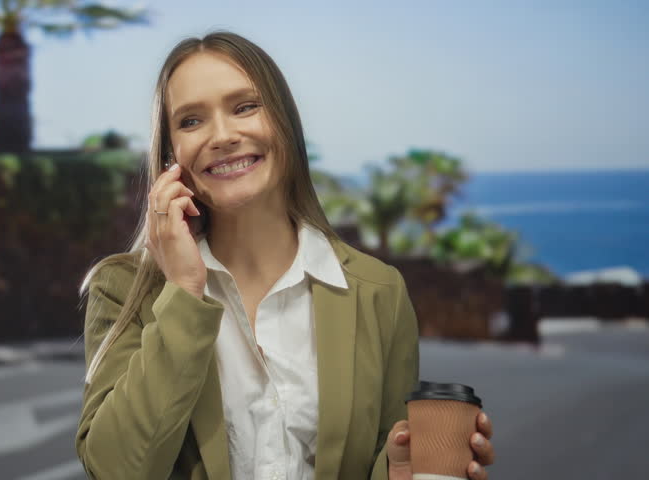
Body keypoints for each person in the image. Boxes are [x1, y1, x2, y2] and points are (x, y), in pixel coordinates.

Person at [75, 31, 495, 480]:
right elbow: (115, 469)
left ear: (285, 124)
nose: (222, 135)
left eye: (245, 107)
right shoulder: (122, 289)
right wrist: (183, 291)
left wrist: (398, 468)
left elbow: (382, 458)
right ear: (170, 156)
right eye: (191, 121)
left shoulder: (379, 291)